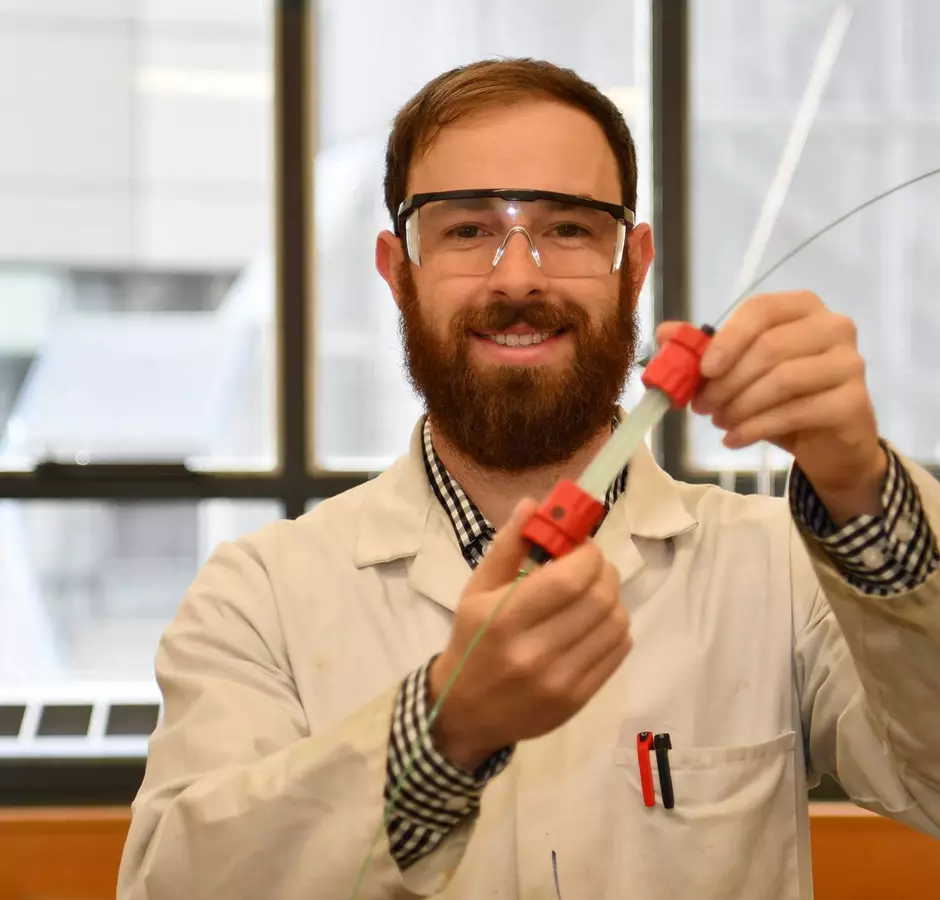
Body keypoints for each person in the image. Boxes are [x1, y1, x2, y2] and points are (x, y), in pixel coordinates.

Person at [116, 58, 940, 900]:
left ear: (635, 263)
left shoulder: (779, 572)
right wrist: (438, 733)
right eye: (467, 230)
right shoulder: (259, 598)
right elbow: (169, 885)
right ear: (398, 271)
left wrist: (862, 488)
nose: (518, 276)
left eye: (570, 228)